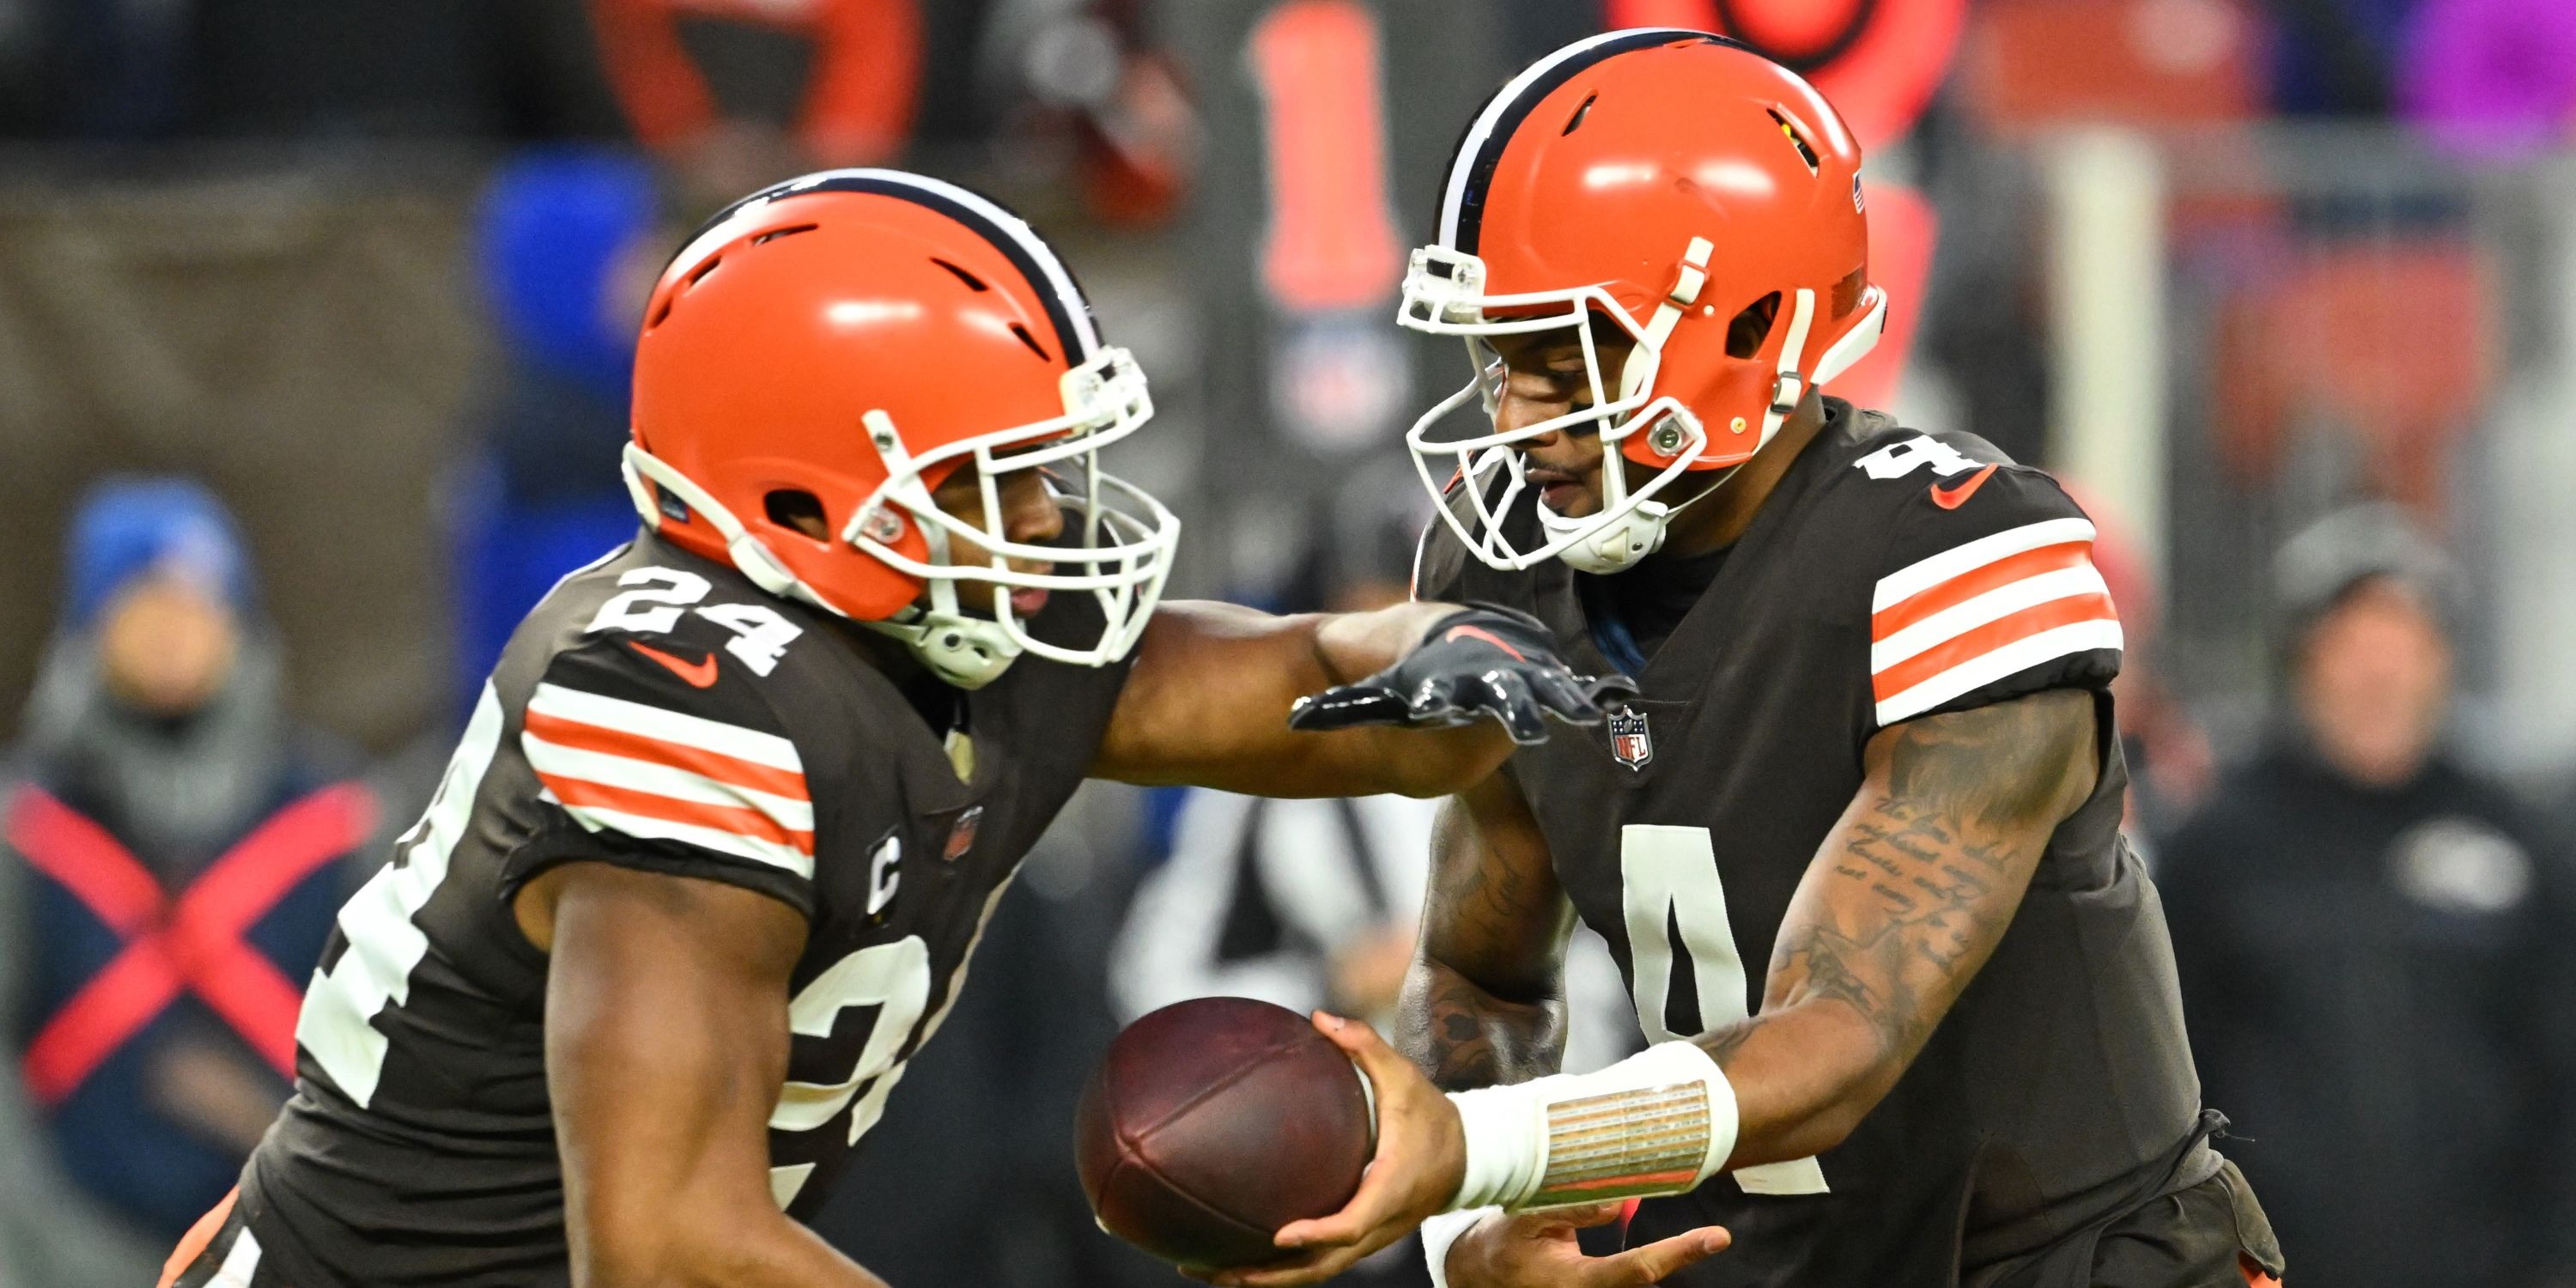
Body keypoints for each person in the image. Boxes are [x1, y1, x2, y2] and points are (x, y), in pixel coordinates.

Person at [155, 167, 1630, 1288]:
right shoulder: (686, 700)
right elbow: (669, 1247)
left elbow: (1315, 686)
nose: (1050, 520)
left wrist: (1461, 650)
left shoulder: (928, 615)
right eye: (999, 479)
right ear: (800, 497)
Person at [1209, 33, 2283, 1288]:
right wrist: (1472, 1231)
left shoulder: (1954, 552)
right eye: (1503, 358)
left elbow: (1836, 1040)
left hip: (2066, 1264)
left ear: (1755, 322)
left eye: (1569, 359)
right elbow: (1480, 976)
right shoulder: (1503, 569)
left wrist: (1471, 1150)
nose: (1515, 416)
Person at [2158, 507, 2576, 1288]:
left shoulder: (2518, 839)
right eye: (2351, 645)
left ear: (2443, 662)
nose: (2378, 672)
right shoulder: (2218, 850)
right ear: (2301, 661)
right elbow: (2169, 1083)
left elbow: (2559, 1073)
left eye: (2405, 644)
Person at [0, 479, 376, 1287]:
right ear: (89, 625)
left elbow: (393, 1058)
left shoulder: (337, 828)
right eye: (142, 604)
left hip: (292, 1247)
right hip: (59, 1250)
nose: (173, 631)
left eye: (198, 604)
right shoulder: (27, 833)